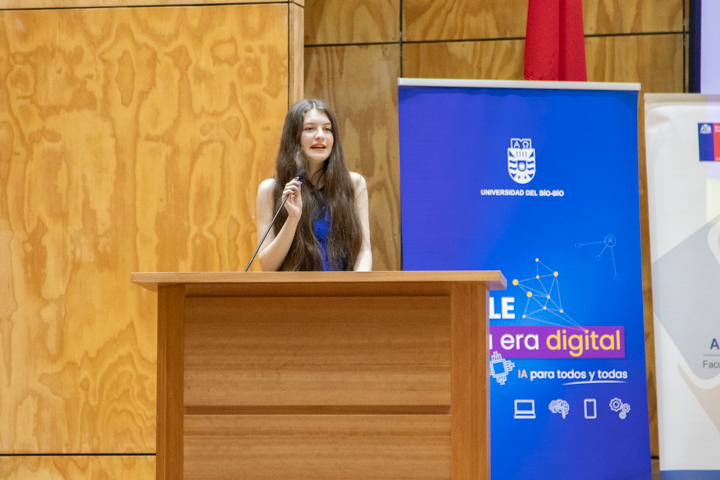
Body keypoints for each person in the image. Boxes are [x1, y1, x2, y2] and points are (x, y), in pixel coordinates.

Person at [255, 99, 372, 271]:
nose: (320, 135)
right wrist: (293, 218)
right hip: (294, 287)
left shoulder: (354, 184)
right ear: (294, 137)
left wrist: (358, 285)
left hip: (343, 286)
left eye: (327, 129)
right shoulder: (270, 189)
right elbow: (267, 266)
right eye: (310, 129)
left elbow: (364, 251)